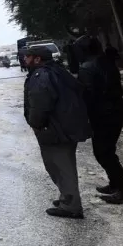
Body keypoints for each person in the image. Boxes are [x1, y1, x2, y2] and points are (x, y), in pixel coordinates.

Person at [24, 45, 92, 219]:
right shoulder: (58, 70)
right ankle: (66, 197)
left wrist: (35, 123)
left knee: (61, 167)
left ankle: (71, 206)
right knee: (61, 165)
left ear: (37, 59)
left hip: (55, 129)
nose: (25, 59)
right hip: (65, 126)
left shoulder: (42, 75)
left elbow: (40, 104)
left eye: (28, 57)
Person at [76, 37, 123, 204]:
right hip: (114, 113)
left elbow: (88, 96)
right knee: (106, 152)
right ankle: (115, 184)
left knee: (104, 153)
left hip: (102, 116)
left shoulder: (88, 68)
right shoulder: (105, 61)